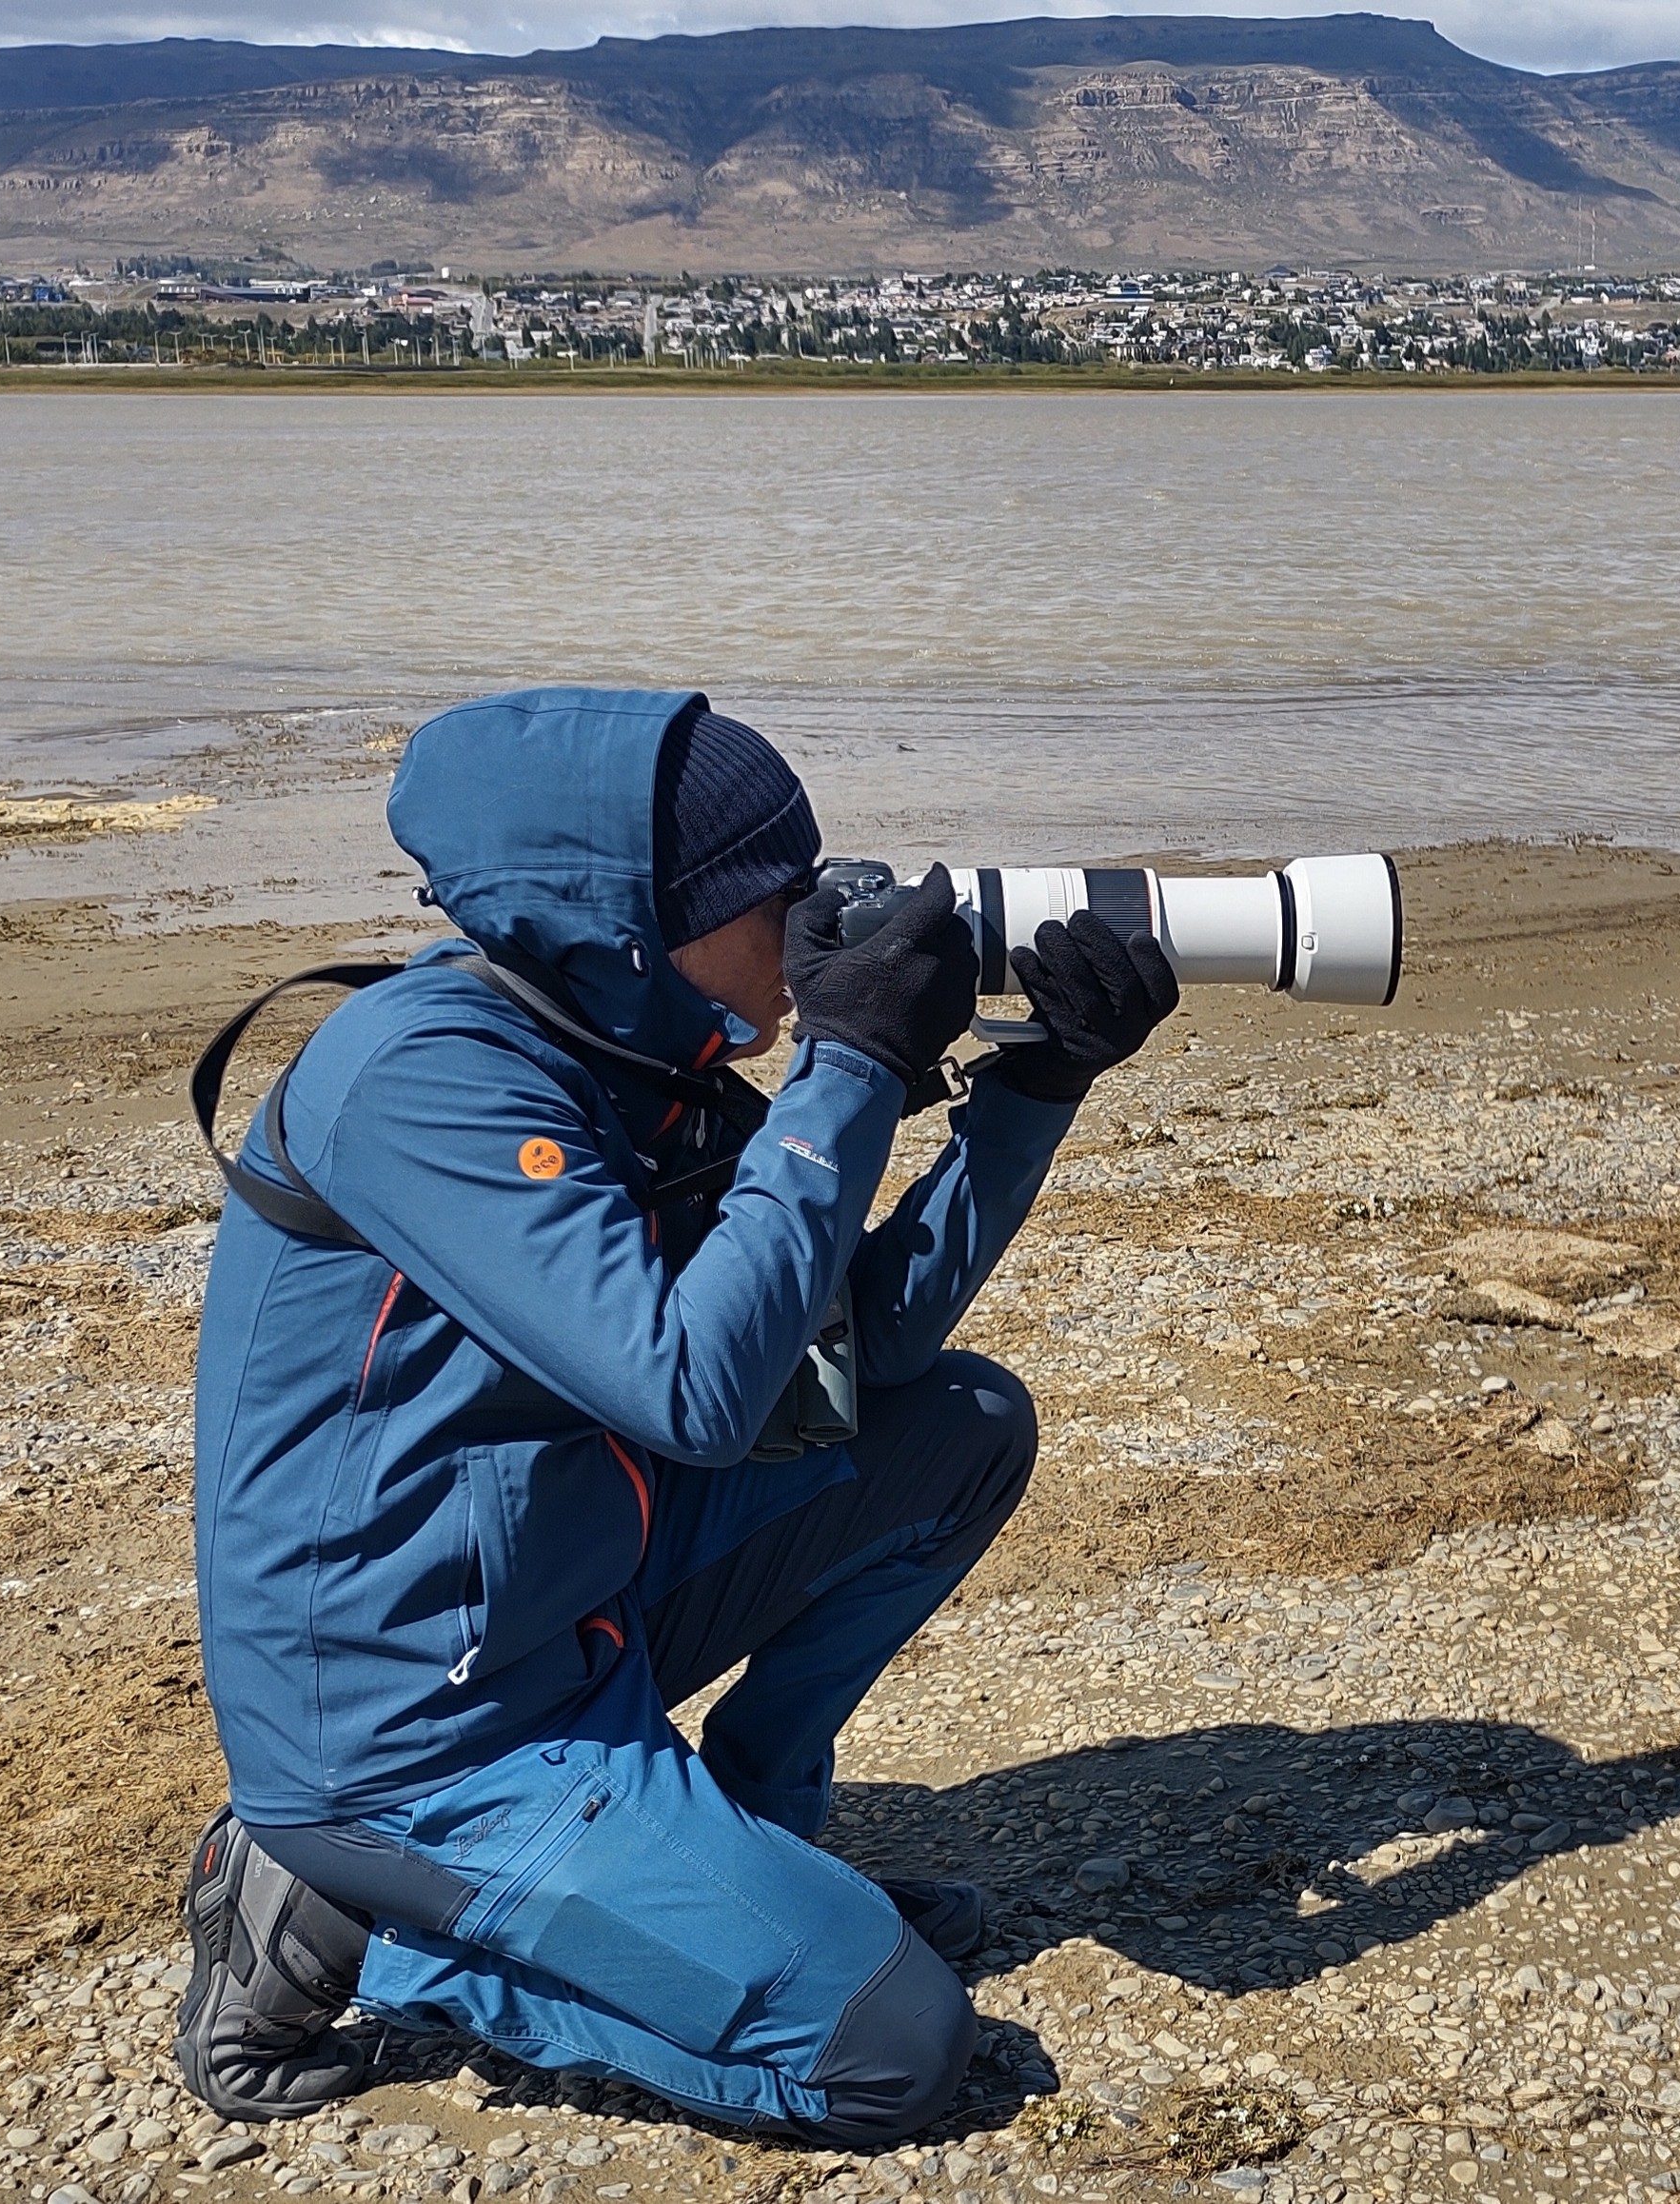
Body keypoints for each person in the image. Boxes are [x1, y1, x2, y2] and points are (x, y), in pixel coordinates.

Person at [172, 687, 1176, 2143]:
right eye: (768, 895)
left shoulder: (628, 1052)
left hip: (570, 1597)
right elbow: (692, 1394)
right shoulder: (422, 1075)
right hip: (412, 1726)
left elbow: (863, 1348)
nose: (805, 920)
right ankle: (355, 1927)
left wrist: (1036, 1086)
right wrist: (849, 1066)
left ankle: (764, 1846)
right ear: (635, 921)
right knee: (891, 2053)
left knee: (958, 1429)